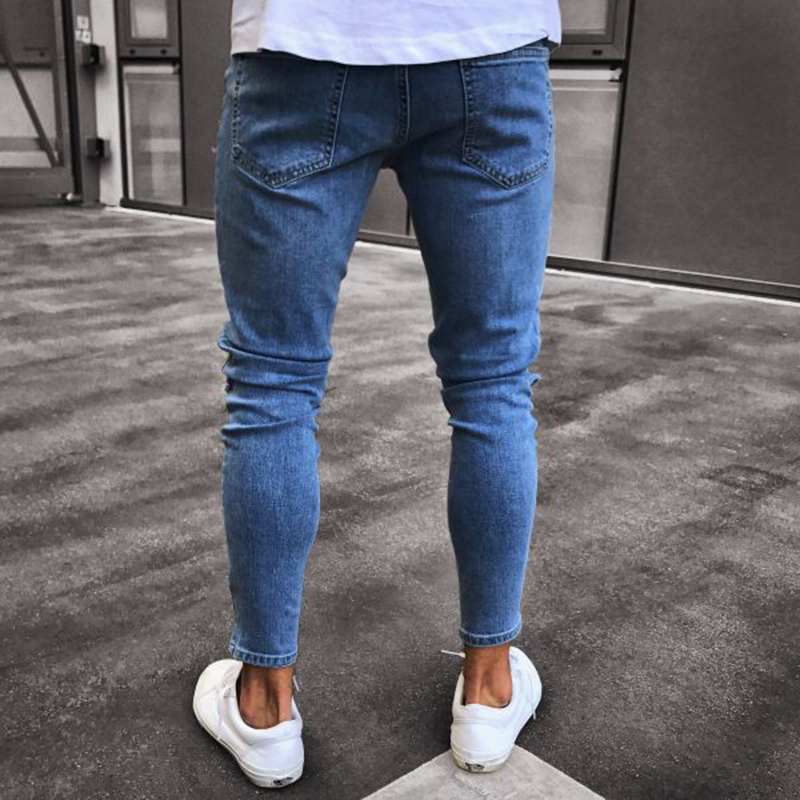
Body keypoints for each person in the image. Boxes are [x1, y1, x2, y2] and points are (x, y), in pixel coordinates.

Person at [193, 0, 562, 788]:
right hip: (488, 41)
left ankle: (264, 708)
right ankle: (490, 693)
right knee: (493, 382)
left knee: (273, 382)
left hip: (304, 40)